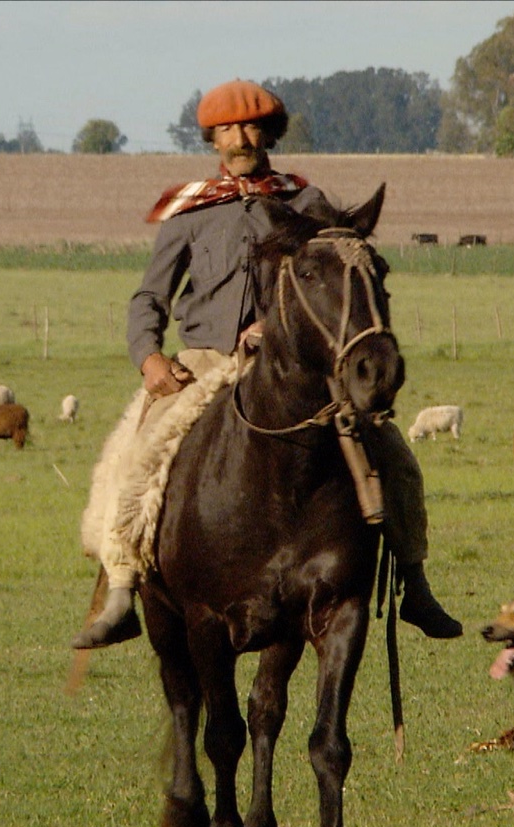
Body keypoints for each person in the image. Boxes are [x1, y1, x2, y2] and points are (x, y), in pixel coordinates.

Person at [70, 79, 461, 649]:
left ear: (270, 134)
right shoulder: (189, 211)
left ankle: (414, 580)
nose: (240, 138)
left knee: (392, 452)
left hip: (286, 363)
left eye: (252, 127)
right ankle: (123, 590)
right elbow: (149, 297)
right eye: (227, 129)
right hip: (203, 358)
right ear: (212, 138)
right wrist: (150, 357)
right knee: (138, 454)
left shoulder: (306, 203)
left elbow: (327, 284)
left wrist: (276, 330)